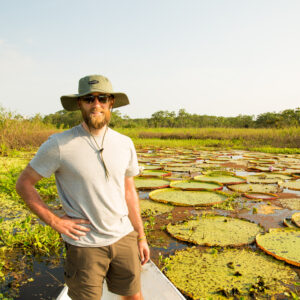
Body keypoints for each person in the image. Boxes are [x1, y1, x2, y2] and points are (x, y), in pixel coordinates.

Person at [16, 74, 150, 300]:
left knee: (133, 297)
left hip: (124, 237)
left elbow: (129, 192)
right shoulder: (59, 144)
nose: (96, 104)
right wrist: (55, 220)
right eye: (89, 99)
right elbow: (23, 184)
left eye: (102, 98)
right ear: (80, 104)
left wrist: (140, 236)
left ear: (111, 103)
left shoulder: (125, 143)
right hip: (85, 245)